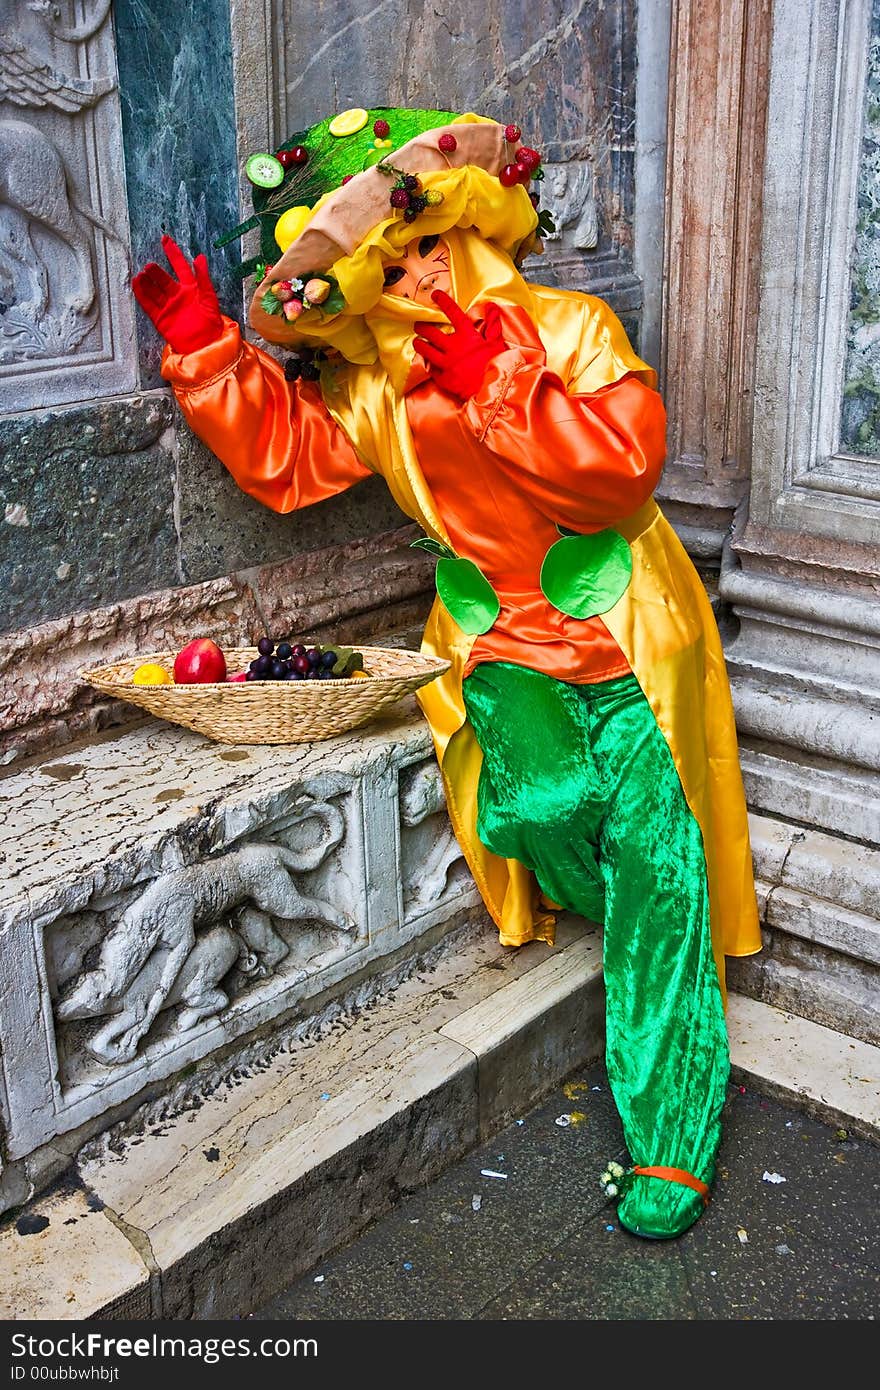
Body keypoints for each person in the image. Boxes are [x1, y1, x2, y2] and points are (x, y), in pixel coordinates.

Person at [133, 107, 761, 1239]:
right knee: (544, 802)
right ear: (368, 289)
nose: (425, 275)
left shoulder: (567, 328)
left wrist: (505, 391)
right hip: (495, 643)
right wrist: (206, 350)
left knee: (660, 864)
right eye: (395, 263)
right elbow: (284, 457)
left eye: (434, 247)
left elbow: (620, 480)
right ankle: (609, 895)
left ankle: (672, 1137)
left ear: (474, 233)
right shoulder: (379, 395)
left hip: (626, 633)